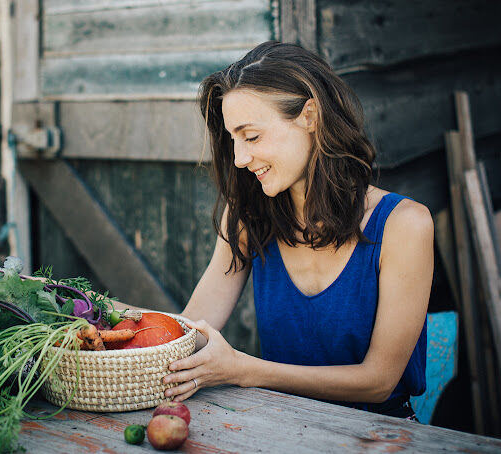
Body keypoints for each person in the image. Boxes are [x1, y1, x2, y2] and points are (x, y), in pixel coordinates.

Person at [116, 41, 433, 419]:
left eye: (251, 136)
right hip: (280, 430)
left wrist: (245, 370)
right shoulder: (247, 217)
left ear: (310, 117)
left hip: (381, 437)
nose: (239, 158)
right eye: (233, 140)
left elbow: (378, 381)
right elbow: (191, 329)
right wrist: (98, 311)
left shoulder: (404, 224)